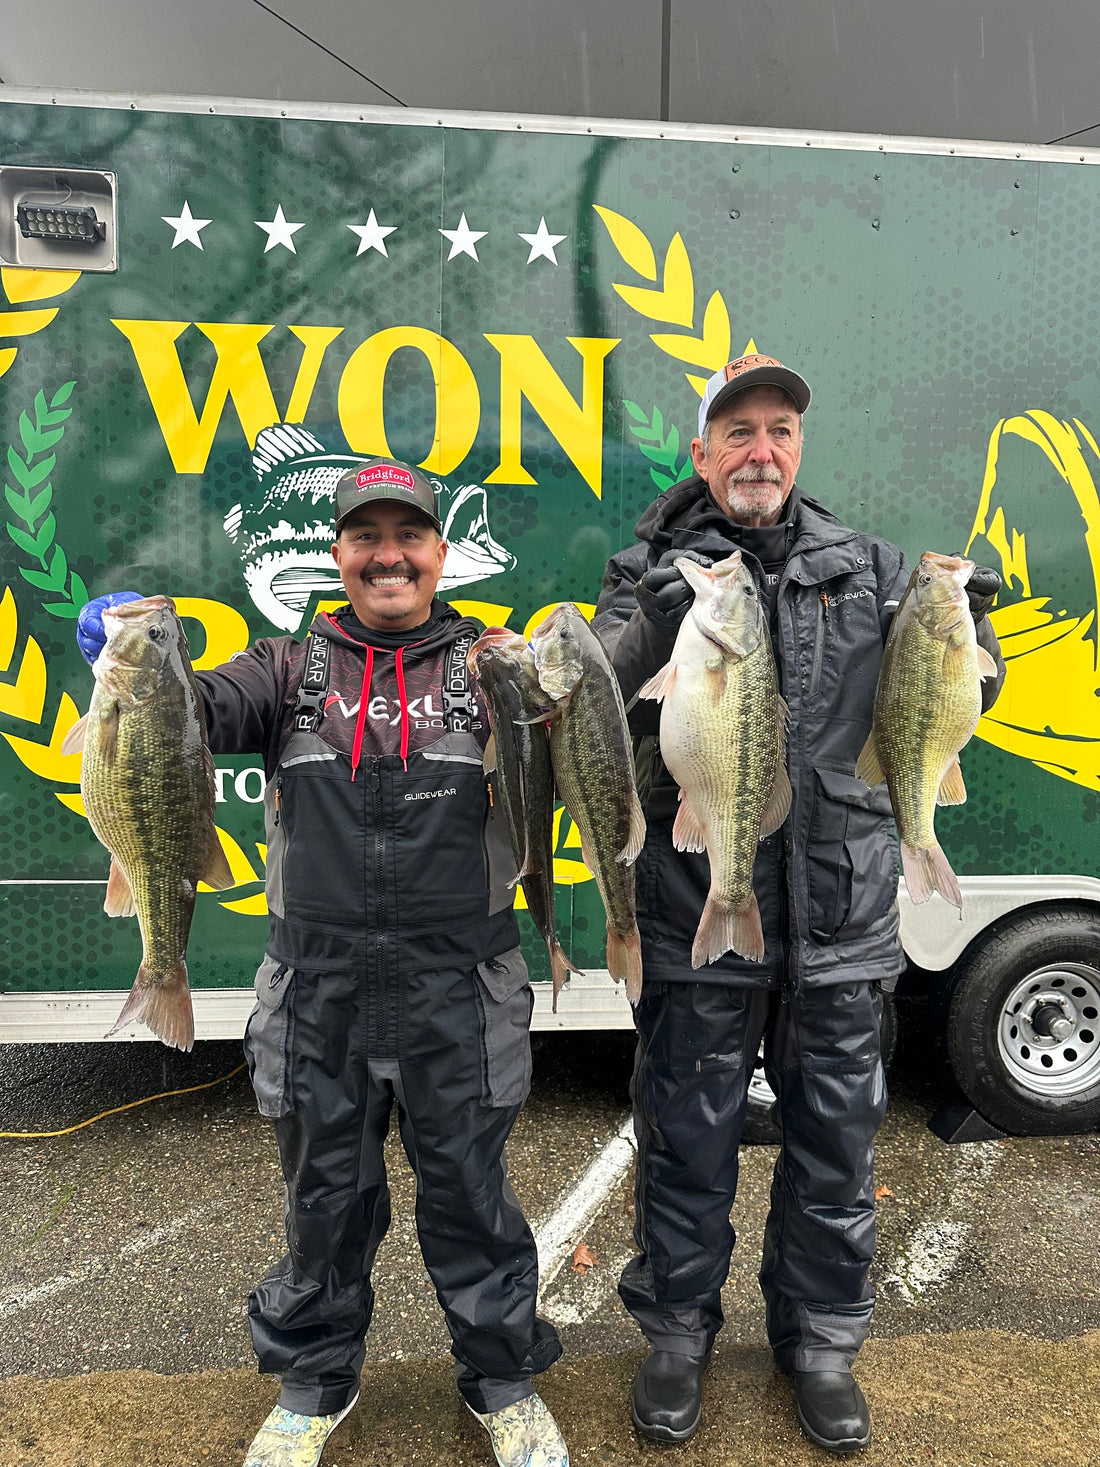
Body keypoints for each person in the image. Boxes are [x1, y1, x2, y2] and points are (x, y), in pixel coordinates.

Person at [76, 457, 568, 1467]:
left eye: (407, 537)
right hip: (319, 989)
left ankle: (501, 1381)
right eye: (364, 538)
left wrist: (547, 691)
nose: (386, 555)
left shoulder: (491, 665)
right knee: (324, 1203)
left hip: (458, 985)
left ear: (439, 554)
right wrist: (120, 651)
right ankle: (313, 1384)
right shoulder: (284, 670)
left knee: (472, 1199)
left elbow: (589, 739)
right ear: (336, 556)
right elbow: (186, 714)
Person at [593, 355, 1005, 1454]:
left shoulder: (875, 570)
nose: (759, 452)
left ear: (799, 449)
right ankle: (675, 1336)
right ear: (700, 455)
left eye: (777, 430)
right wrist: (650, 616)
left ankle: (818, 1345)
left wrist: (972, 628)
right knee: (685, 1141)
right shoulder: (642, 571)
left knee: (833, 1144)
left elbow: (963, 689)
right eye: (736, 433)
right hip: (696, 909)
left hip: (841, 917)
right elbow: (598, 695)